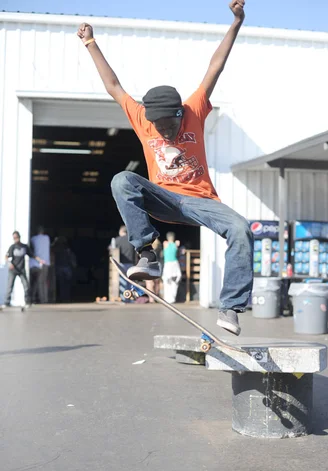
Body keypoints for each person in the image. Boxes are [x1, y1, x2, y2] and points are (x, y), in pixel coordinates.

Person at [77, 0, 253, 335]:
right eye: (158, 128)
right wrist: (90, 43)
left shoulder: (194, 109)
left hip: (202, 202)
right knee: (122, 180)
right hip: (162, 200)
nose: (165, 132)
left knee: (241, 229)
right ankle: (148, 254)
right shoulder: (143, 117)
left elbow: (215, 67)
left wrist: (236, 22)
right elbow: (114, 87)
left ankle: (230, 308)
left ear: (179, 115)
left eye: (170, 127)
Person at [3, 231, 43, 308]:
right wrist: (9, 263)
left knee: (26, 286)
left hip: (21, 270)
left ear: (19, 237)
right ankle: (7, 302)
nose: (15, 239)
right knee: (10, 286)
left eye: (16, 238)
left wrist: (39, 260)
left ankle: (27, 301)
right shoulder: (12, 247)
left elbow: (32, 255)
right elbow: (6, 256)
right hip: (13, 270)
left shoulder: (24, 247)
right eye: (14, 238)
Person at [113, 225, 138, 301]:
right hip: (131, 264)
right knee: (130, 282)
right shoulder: (132, 240)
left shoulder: (117, 240)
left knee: (122, 282)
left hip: (121, 264)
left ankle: (124, 298)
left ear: (121, 231)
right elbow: (136, 253)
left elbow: (111, 250)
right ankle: (131, 299)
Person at [52, 237, 77, 303]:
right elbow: (72, 258)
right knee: (67, 283)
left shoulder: (57, 248)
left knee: (61, 284)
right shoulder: (67, 249)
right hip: (67, 268)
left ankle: (63, 298)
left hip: (60, 267)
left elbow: (51, 249)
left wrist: (54, 242)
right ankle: (67, 297)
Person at [30, 226, 50, 304]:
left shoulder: (34, 239)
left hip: (38, 263)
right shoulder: (47, 238)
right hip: (46, 262)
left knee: (39, 282)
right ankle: (45, 299)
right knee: (44, 282)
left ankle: (41, 300)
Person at [162, 232, 182, 304]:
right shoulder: (175, 244)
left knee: (168, 280)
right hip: (174, 263)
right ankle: (171, 298)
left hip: (169, 263)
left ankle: (169, 298)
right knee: (172, 280)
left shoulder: (166, 243)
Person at [146, 238, 163, 303]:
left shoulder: (148, 249)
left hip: (150, 265)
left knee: (149, 283)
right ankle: (156, 297)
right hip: (157, 266)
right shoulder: (159, 249)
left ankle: (151, 298)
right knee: (157, 283)